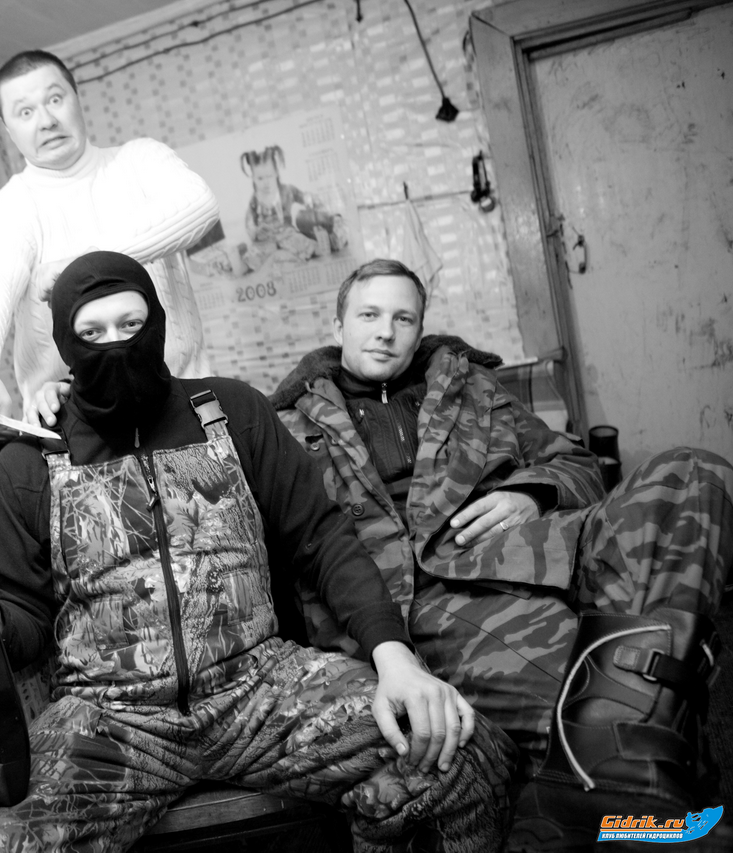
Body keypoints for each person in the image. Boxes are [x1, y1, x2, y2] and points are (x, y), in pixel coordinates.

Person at [0, 251, 516, 852]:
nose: (116, 345)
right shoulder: (29, 462)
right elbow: (22, 623)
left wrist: (395, 656)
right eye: (91, 333)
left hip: (260, 691)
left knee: (459, 755)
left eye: (131, 324)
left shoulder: (232, 411)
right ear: (65, 346)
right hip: (108, 722)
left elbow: (322, 539)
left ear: (157, 323)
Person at [269, 258, 733, 843]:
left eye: (403, 318)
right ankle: (644, 815)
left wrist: (532, 493)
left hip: (546, 544)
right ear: (338, 325)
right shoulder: (287, 427)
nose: (385, 332)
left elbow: (577, 463)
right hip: (438, 591)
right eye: (369, 315)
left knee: (693, 472)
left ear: (419, 328)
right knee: (585, 692)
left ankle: (618, 779)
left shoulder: (473, 387)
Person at [0, 50, 219, 436]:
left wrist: (79, 264)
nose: (46, 120)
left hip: (187, 406)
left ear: (76, 99)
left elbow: (199, 204)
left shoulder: (139, 160)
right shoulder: (9, 208)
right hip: (74, 426)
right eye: (25, 112)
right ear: (7, 128)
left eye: (55, 99)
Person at [239, 145, 347, 271]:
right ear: (253, 178)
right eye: (260, 178)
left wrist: (314, 202)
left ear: (276, 173)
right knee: (251, 259)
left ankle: (330, 240)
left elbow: (304, 197)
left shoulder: (287, 191)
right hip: (265, 241)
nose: (266, 182)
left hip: (288, 235)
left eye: (269, 176)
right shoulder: (255, 199)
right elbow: (249, 221)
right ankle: (241, 258)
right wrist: (256, 231)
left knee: (311, 247)